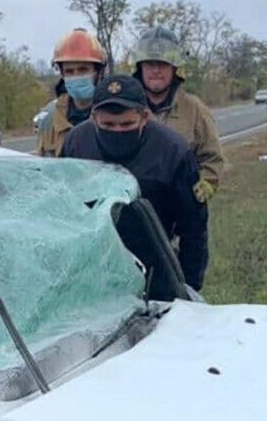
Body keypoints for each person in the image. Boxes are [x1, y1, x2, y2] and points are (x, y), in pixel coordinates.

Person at [62, 74, 208, 291]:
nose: (117, 131)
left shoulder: (173, 152)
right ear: (94, 117)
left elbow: (194, 227)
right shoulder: (76, 144)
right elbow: (63, 209)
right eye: (108, 124)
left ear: (144, 117)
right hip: (93, 266)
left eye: (127, 124)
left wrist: (190, 287)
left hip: (155, 264)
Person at [132, 25, 224, 203]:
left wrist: (207, 183)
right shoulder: (126, 108)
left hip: (181, 208)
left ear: (175, 68)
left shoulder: (195, 109)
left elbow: (212, 157)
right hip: (135, 208)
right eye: (150, 64)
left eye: (163, 64)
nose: (156, 70)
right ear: (139, 67)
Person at [36, 28, 107, 157]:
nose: (76, 76)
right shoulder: (49, 116)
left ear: (97, 72)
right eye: (69, 71)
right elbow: (42, 162)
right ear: (62, 74)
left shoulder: (111, 113)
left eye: (83, 70)